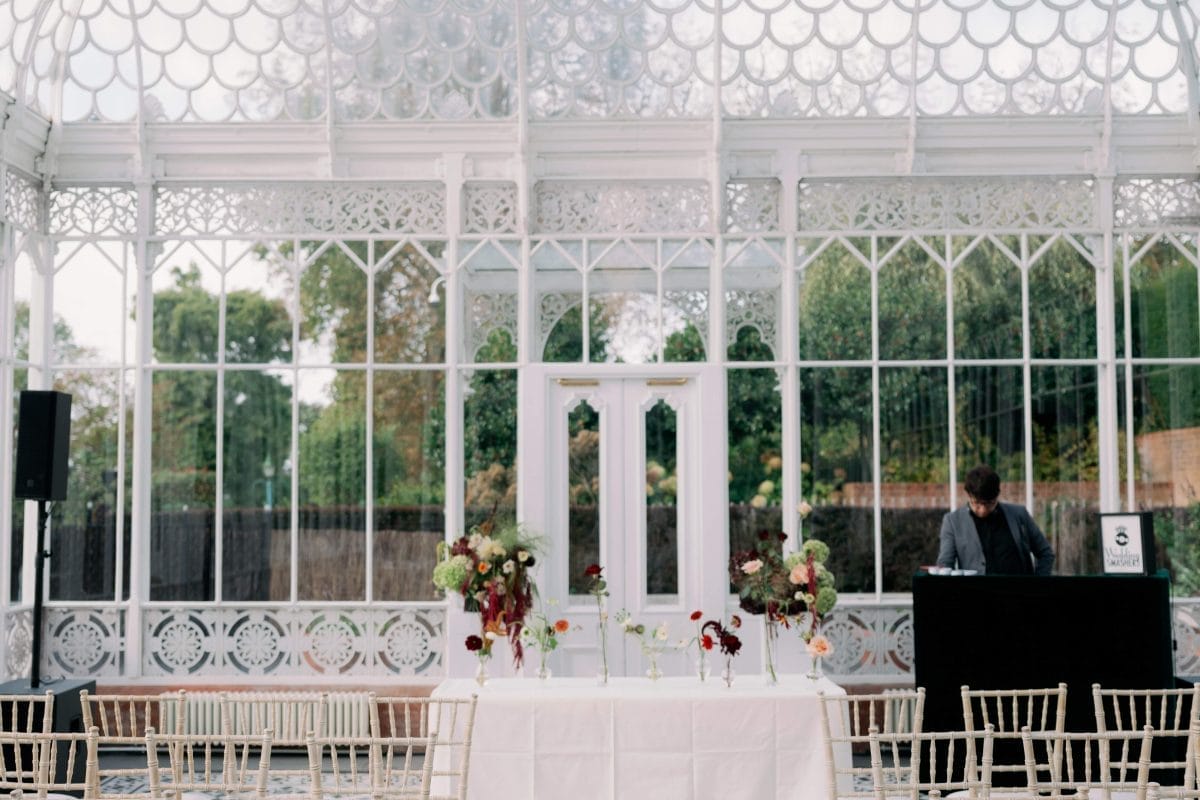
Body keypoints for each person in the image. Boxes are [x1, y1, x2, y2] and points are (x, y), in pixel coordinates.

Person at [937, 465, 1054, 575]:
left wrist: (1038, 583)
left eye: (989, 503)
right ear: (968, 495)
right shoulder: (952, 521)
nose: (983, 510)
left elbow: (1045, 553)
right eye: (977, 503)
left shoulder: (1019, 515)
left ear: (997, 495)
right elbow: (945, 564)